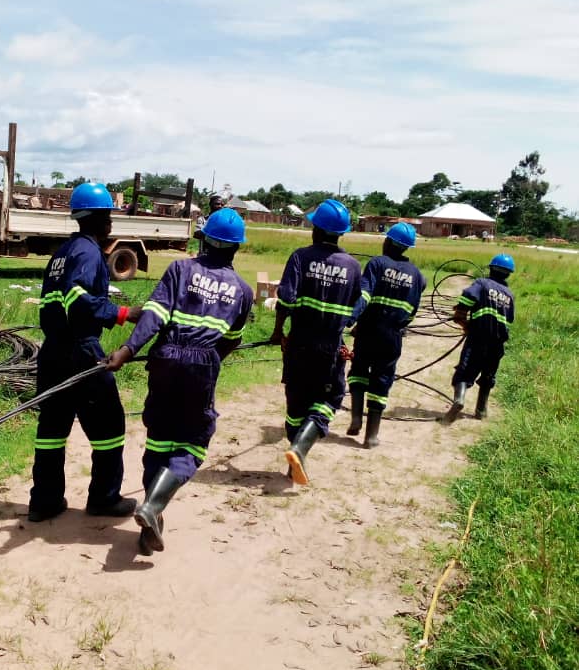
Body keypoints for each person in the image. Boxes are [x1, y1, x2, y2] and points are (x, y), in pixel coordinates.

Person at [105, 208, 253, 555]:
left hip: (165, 359)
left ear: (203, 241)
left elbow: (155, 314)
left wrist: (127, 350)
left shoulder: (180, 269)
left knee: (160, 439)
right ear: (235, 249)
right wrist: (208, 361)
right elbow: (232, 339)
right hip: (202, 365)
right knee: (193, 442)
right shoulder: (243, 291)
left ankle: (150, 523)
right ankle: (153, 508)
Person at [27, 182, 142, 522]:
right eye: (108, 216)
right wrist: (123, 313)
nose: (110, 224)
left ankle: (44, 502)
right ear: (99, 219)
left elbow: (54, 304)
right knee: (109, 427)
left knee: (51, 431)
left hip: (52, 354)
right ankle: (104, 500)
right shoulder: (90, 253)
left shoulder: (61, 254)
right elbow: (77, 302)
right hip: (81, 351)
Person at [269, 199, 361, 484]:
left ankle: (295, 455)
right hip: (329, 347)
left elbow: (285, 298)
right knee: (328, 400)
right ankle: (299, 450)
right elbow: (354, 307)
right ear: (341, 233)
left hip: (298, 343)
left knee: (296, 405)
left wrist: (277, 331)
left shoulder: (300, 257)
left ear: (315, 229)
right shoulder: (353, 266)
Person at [345, 222, 426, 448]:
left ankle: (355, 418)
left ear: (388, 242)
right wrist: (400, 326)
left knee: (359, 371)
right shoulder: (417, 276)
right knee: (382, 379)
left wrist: (351, 319)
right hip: (393, 335)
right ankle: (371, 436)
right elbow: (412, 310)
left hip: (369, 330)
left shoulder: (377, 264)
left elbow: (364, 295)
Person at [442, 253, 515, 423]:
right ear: (508, 274)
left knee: (465, 371)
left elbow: (467, 297)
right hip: (497, 343)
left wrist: (461, 316)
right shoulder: (510, 295)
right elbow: (509, 319)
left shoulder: (482, 284)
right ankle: (481, 410)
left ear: (490, 269)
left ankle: (459, 400)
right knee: (488, 376)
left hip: (478, 338)